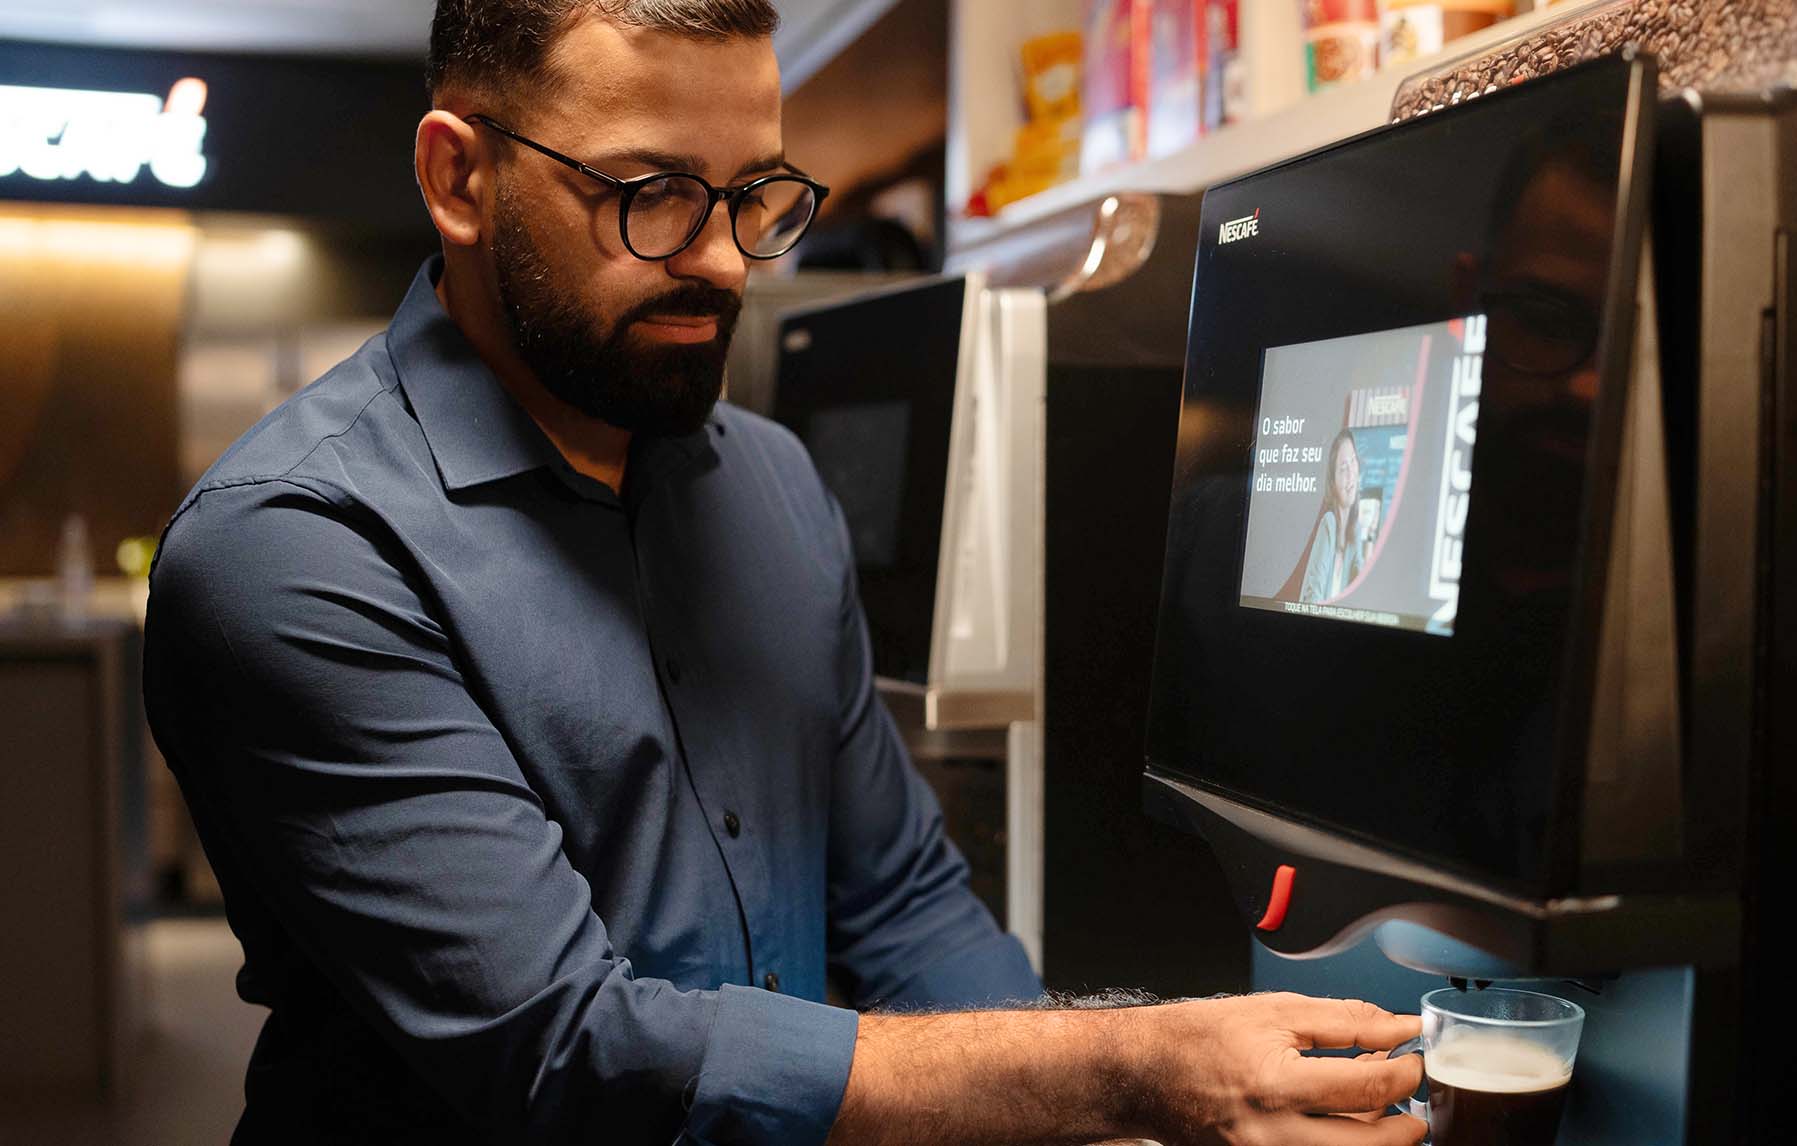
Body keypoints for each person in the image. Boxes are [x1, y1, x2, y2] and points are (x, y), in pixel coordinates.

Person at [140, 2, 1425, 1144]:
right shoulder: (297, 545)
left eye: (754, 193)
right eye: (649, 192)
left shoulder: (767, 481)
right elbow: (567, 1054)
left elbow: (905, 904)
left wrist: (1076, 1124)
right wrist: (1129, 1072)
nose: (721, 259)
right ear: (460, 178)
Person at [1300, 428, 1369, 604]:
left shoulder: (1355, 530)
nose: (1351, 473)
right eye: (1343, 468)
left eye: (1353, 461)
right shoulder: (1329, 523)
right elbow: (1311, 599)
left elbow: (1362, 586)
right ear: (1333, 482)